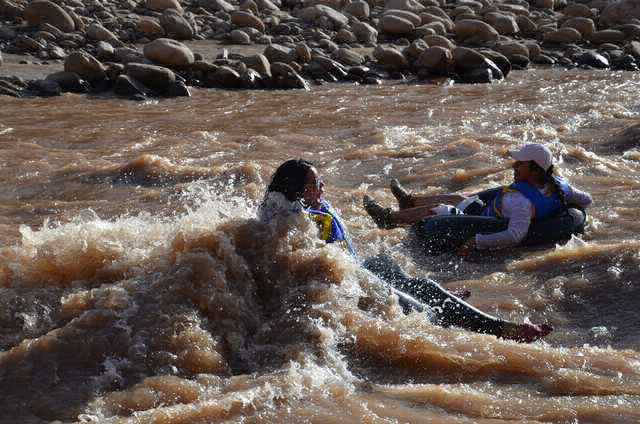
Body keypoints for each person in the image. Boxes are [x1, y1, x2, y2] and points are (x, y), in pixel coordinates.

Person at [258, 159, 553, 343]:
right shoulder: (294, 219)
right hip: (349, 283)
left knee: (423, 284)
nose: (322, 187)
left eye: (321, 181)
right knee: (420, 307)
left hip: (358, 268)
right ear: (297, 190)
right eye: (316, 184)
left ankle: (457, 307)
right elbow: (310, 262)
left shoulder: (309, 207)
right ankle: (500, 330)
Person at [363, 143, 592, 254]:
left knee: (441, 209)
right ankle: (409, 202)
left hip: (482, 219)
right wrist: (564, 207)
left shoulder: (522, 203)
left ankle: (390, 219)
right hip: (491, 208)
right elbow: (587, 200)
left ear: (534, 170)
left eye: (520, 163)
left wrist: (476, 242)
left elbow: (515, 235)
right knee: (460, 196)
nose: (514, 165)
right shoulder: (560, 186)